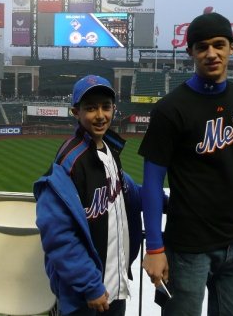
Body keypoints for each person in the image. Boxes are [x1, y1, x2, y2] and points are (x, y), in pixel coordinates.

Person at [139, 9, 233, 316]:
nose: (211, 53)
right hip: (187, 248)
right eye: (202, 46)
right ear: (190, 53)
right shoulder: (170, 109)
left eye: (219, 44)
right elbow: (152, 183)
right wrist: (154, 248)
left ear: (232, 48)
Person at [34, 75, 143, 316]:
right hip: (87, 296)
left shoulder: (109, 149)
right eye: (91, 108)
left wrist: (167, 202)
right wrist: (90, 286)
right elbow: (57, 233)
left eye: (106, 107)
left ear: (114, 108)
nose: (100, 115)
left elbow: (127, 190)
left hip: (114, 289)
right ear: (76, 112)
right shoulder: (70, 160)